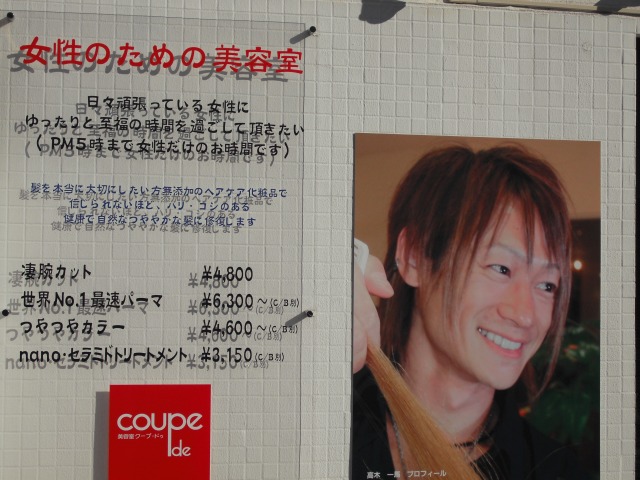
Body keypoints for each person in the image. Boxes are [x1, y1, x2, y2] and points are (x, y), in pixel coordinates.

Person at [352, 145, 589, 480]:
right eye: (501, 269)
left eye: (547, 285)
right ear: (415, 256)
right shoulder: (321, 417)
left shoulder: (556, 471)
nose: (525, 316)